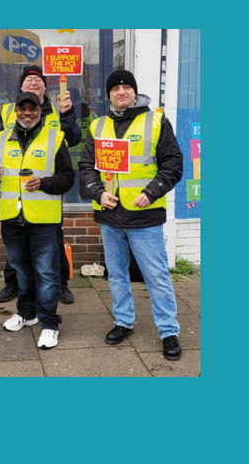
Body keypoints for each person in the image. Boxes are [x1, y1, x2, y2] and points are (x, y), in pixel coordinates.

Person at [80, 69, 184, 361]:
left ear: (134, 92)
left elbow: (173, 164)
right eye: (115, 88)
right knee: (116, 274)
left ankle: (168, 331)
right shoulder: (98, 126)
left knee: (156, 275)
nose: (121, 91)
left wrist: (151, 192)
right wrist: (98, 192)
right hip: (110, 214)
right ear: (109, 94)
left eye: (126, 87)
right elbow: (87, 167)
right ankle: (123, 322)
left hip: (144, 214)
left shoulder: (155, 121)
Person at [0, 92, 75, 349]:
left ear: (39, 111)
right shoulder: (1, 140)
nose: (26, 112)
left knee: (47, 274)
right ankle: (27, 313)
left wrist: (44, 183)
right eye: (21, 108)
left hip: (43, 220)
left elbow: (68, 177)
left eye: (31, 108)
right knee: (21, 271)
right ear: (15, 111)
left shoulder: (55, 139)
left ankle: (49, 324)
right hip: (12, 219)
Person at [0, 64, 81, 305]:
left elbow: (73, 139)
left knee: (54, 240)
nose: (33, 82)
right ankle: (12, 284)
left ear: (45, 86)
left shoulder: (57, 109)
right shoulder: (8, 111)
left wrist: (69, 113)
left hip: (48, 190)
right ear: (21, 87)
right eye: (28, 80)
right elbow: (0, 146)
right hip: (15, 192)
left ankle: (61, 285)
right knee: (16, 246)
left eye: (38, 80)